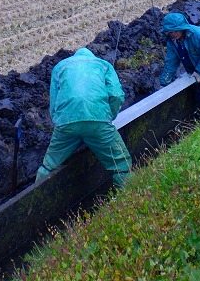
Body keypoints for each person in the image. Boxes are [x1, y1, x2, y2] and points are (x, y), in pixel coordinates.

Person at [36, 47, 132, 187]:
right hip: (98, 122)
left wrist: (60, 124)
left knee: (48, 166)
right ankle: (128, 199)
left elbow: (54, 102)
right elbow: (116, 95)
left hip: (66, 124)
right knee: (121, 164)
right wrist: (108, 116)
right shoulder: (104, 65)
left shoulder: (60, 67)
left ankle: (35, 200)